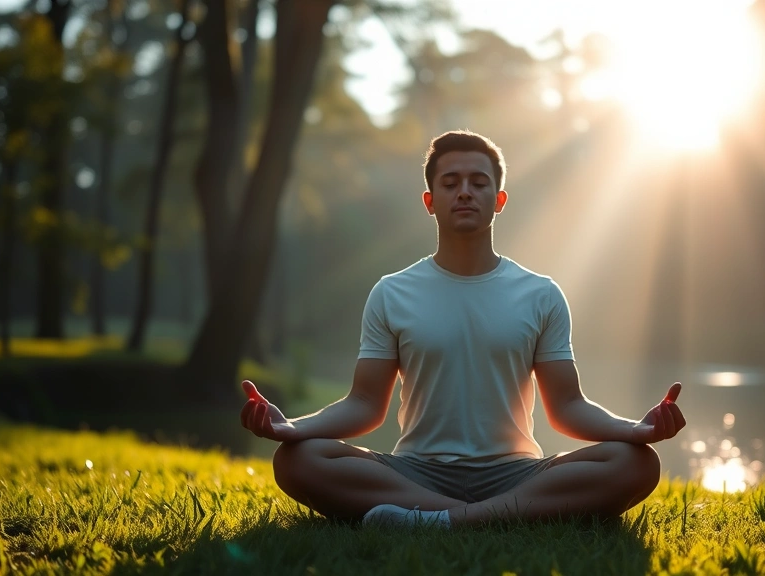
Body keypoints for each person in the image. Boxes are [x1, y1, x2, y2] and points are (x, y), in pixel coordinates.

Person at [239, 130, 687, 528]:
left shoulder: (540, 294)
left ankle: (440, 520)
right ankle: (488, 516)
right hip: (416, 469)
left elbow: (567, 406)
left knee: (636, 464)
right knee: (298, 460)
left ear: (500, 199)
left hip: (516, 472)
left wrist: (637, 430)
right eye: (450, 184)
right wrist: (291, 427)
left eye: (479, 182)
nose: (465, 193)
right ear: (430, 202)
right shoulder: (392, 292)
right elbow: (363, 405)